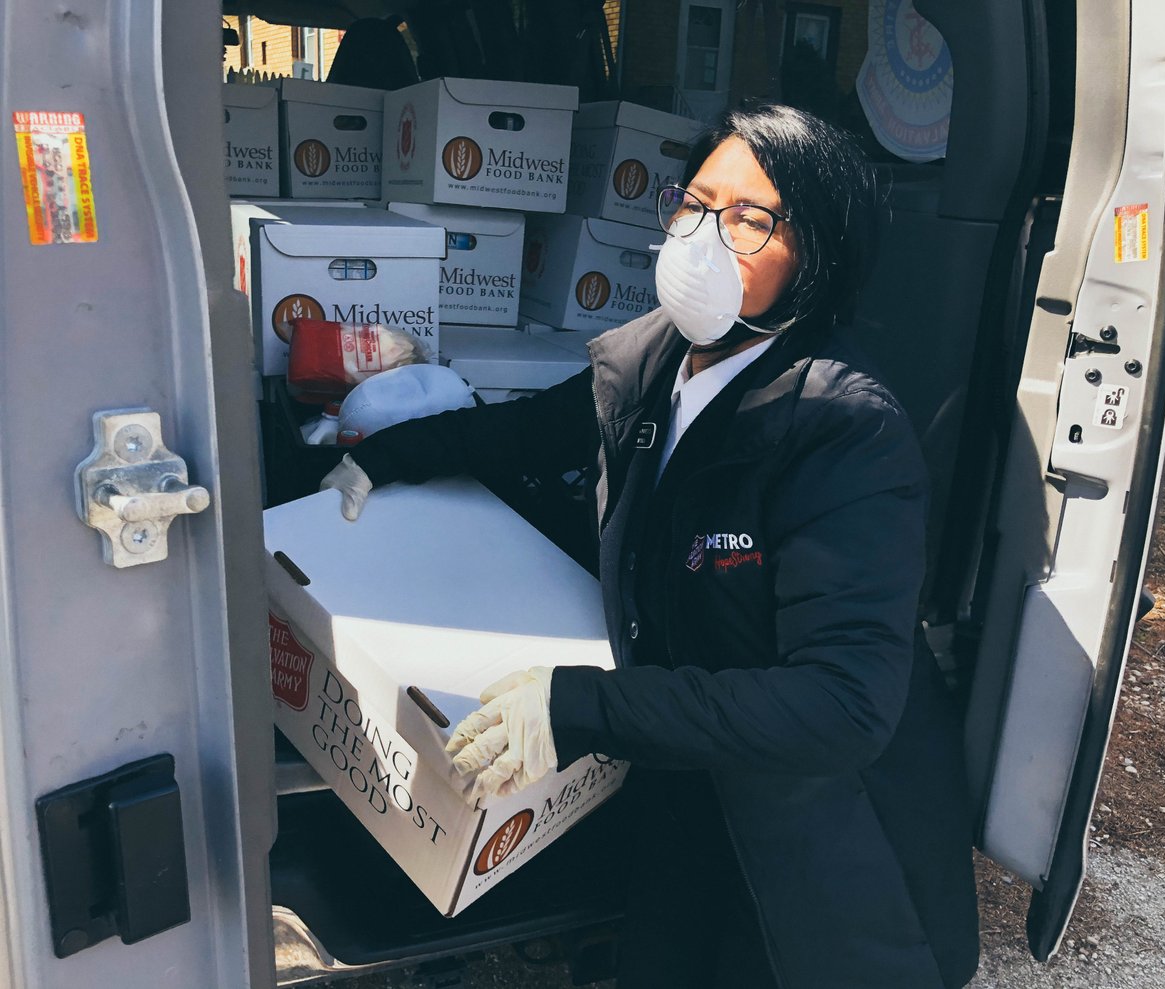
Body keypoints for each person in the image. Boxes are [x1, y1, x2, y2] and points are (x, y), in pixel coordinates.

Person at [321, 103, 980, 988]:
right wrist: (386, 457)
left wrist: (581, 709)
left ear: (815, 257)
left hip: (814, 842)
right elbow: (532, 432)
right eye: (696, 204)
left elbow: (844, 707)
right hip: (687, 785)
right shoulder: (658, 360)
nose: (704, 238)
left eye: (749, 220)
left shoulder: (842, 431)